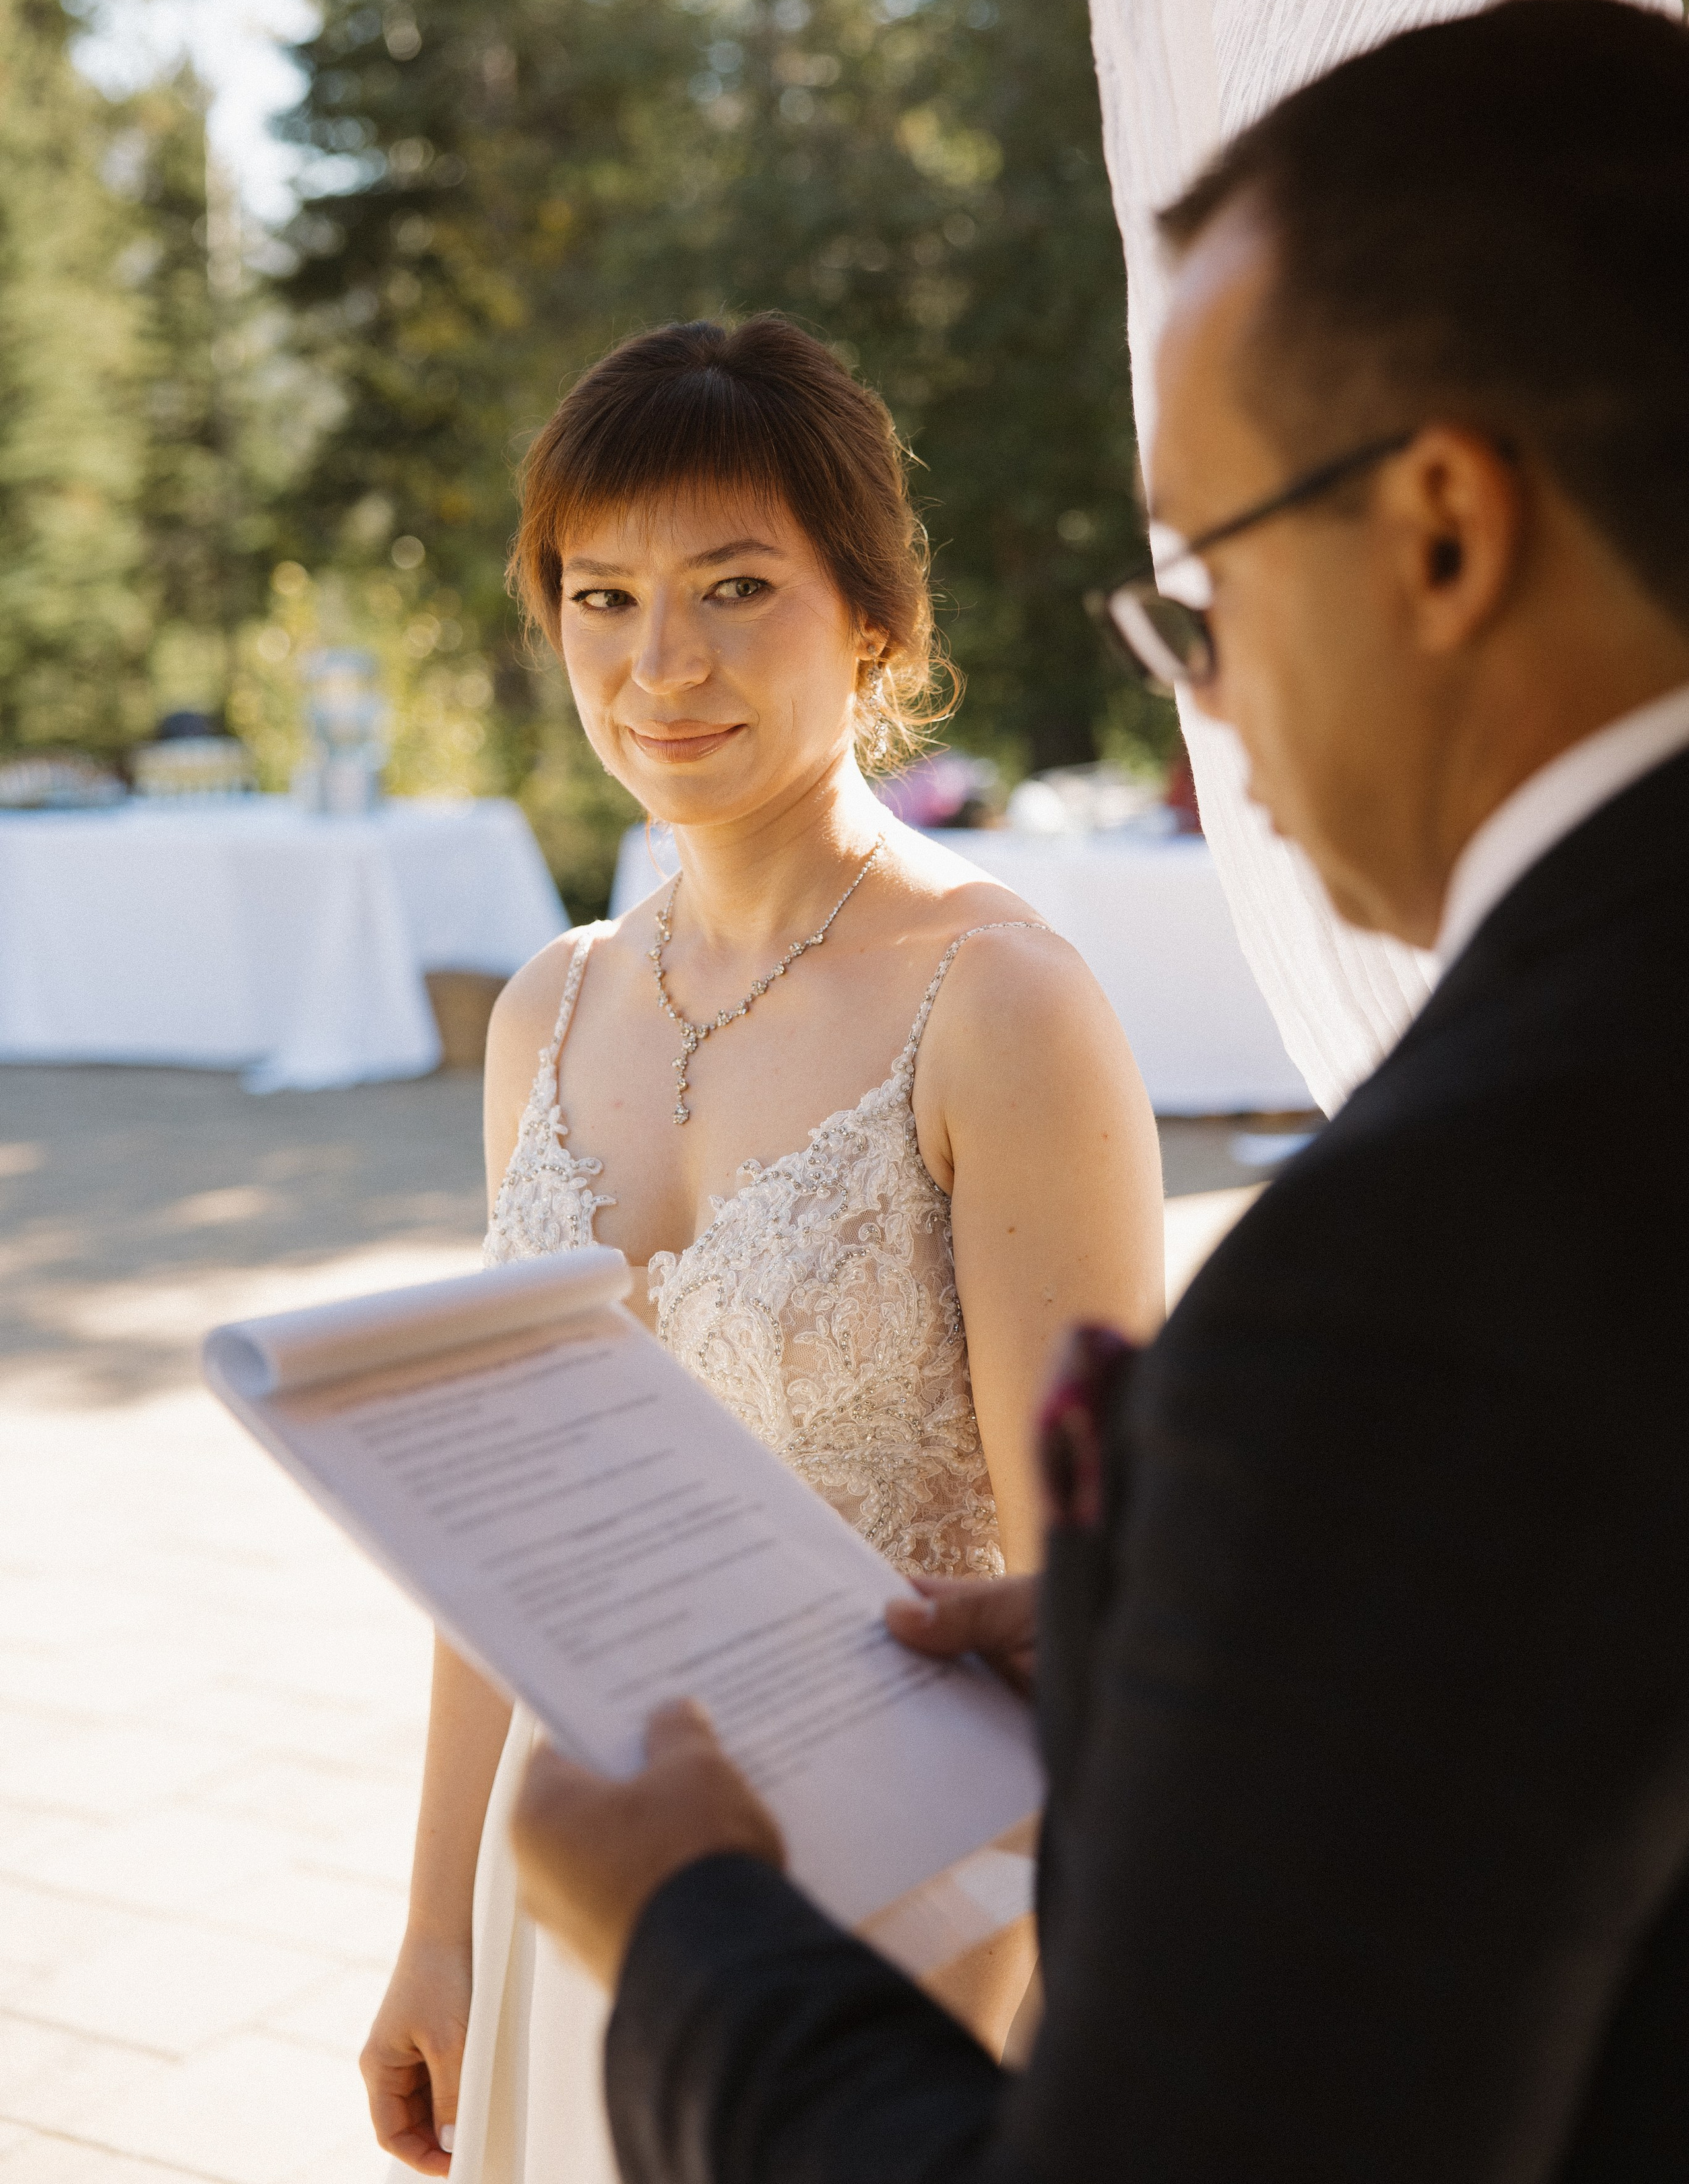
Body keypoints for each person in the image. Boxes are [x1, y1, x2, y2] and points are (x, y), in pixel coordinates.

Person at [505, 0, 1689, 2182]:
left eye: (1206, 582)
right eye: (602, 600)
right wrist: (1205, 1666)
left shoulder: (1430, 1275)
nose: (1201, 697)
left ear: (1438, 529)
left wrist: (687, 1933)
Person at [359, 314, 1166, 2182]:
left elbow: (1104, 1588)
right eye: (602, 596)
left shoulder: (1001, 1000)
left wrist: (1078, 1996)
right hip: (581, 1879)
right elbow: (509, 1535)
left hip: (901, 1917)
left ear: (871, 616)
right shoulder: (548, 1008)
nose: (662, 665)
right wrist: (437, 1921)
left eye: (736, 588)